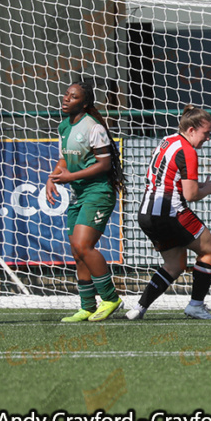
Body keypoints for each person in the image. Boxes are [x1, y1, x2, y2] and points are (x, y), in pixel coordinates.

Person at [126, 106, 211, 320]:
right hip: (171, 213)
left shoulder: (168, 140)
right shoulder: (188, 151)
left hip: (146, 214)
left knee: (175, 264)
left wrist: (204, 185)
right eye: (206, 133)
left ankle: (139, 308)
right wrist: (209, 188)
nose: (208, 139)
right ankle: (196, 305)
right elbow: (190, 195)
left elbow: (170, 181)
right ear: (191, 130)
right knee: (209, 249)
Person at [45, 80, 125, 322]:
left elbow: (104, 164)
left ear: (85, 103)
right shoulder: (64, 126)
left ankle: (111, 298)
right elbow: (63, 160)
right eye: (66, 94)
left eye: (73, 96)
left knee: (84, 245)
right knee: (77, 251)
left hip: (99, 192)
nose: (66, 98)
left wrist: (70, 176)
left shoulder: (94, 127)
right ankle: (87, 306)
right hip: (79, 194)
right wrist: (53, 178)